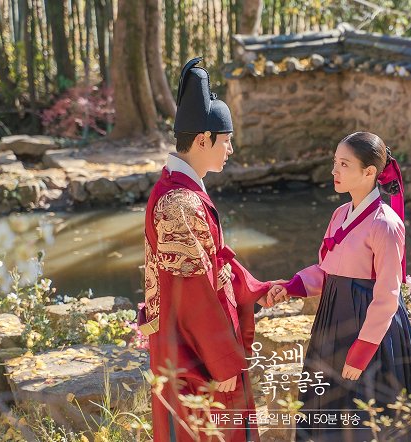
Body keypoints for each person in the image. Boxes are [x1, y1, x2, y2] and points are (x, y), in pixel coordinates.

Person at [267, 132, 411, 441]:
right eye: (335, 163)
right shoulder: (340, 214)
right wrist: (292, 286)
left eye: (344, 164)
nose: (335, 171)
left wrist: (363, 351)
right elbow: (326, 271)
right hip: (333, 323)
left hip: (372, 330)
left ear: (369, 172)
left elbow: (387, 293)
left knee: (371, 413)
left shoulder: (386, 224)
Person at [138, 57, 272, 442]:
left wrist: (259, 290)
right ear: (203, 140)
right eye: (226, 140)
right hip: (193, 347)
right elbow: (194, 290)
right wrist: (222, 360)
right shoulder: (179, 203)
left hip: (194, 336)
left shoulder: (180, 191)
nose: (230, 149)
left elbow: (217, 263)